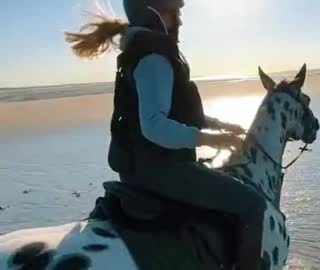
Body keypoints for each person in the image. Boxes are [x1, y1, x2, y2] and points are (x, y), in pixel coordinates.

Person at [65, 0, 266, 269]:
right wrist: (210, 140)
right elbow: (155, 126)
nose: (180, 21)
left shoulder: (144, 50)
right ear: (153, 12)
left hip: (142, 166)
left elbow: (179, 114)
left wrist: (221, 126)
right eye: (175, 12)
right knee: (252, 203)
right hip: (160, 169)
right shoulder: (154, 57)